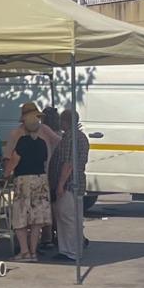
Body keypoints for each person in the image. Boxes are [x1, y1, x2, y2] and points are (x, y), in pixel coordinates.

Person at [5, 106, 53, 262]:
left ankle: (24, 251)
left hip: (24, 181)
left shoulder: (22, 141)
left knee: (20, 217)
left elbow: (14, 160)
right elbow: (44, 161)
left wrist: (6, 174)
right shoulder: (42, 143)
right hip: (41, 180)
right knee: (36, 220)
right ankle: (33, 252)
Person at [50, 108, 91, 261]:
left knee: (66, 217)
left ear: (65, 122)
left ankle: (69, 251)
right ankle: (75, 248)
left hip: (69, 183)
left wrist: (60, 184)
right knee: (76, 218)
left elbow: (68, 163)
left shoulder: (69, 138)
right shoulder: (82, 137)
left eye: (62, 120)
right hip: (79, 181)